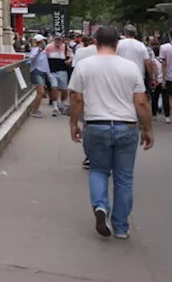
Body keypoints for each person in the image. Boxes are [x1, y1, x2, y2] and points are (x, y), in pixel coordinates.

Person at [68, 26, 154, 240]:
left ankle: (100, 207)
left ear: (96, 42)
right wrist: (148, 128)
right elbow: (141, 102)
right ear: (118, 43)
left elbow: (77, 99)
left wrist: (73, 123)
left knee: (98, 170)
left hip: (96, 124)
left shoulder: (84, 66)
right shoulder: (131, 67)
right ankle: (122, 227)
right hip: (127, 126)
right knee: (124, 178)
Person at [46, 35, 73, 115]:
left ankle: (61, 104)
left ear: (62, 41)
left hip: (62, 71)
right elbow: (44, 58)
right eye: (56, 40)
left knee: (64, 90)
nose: (58, 42)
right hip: (52, 72)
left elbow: (71, 57)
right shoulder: (48, 47)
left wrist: (68, 61)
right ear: (54, 40)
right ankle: (55, 107)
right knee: (54, 87)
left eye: (59, 40)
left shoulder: (65, 48)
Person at [27, 34, 52, 119]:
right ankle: (35, 110)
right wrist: (37, 52)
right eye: (43, 41)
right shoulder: (35, 50)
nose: (44, 42)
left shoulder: (43, 51)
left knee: (41, 92)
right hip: (36, 71)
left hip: (42, 72)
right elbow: (31, 58)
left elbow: (45, 64)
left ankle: (36, 109)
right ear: (40, 42)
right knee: (40, 92)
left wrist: (48, 73)